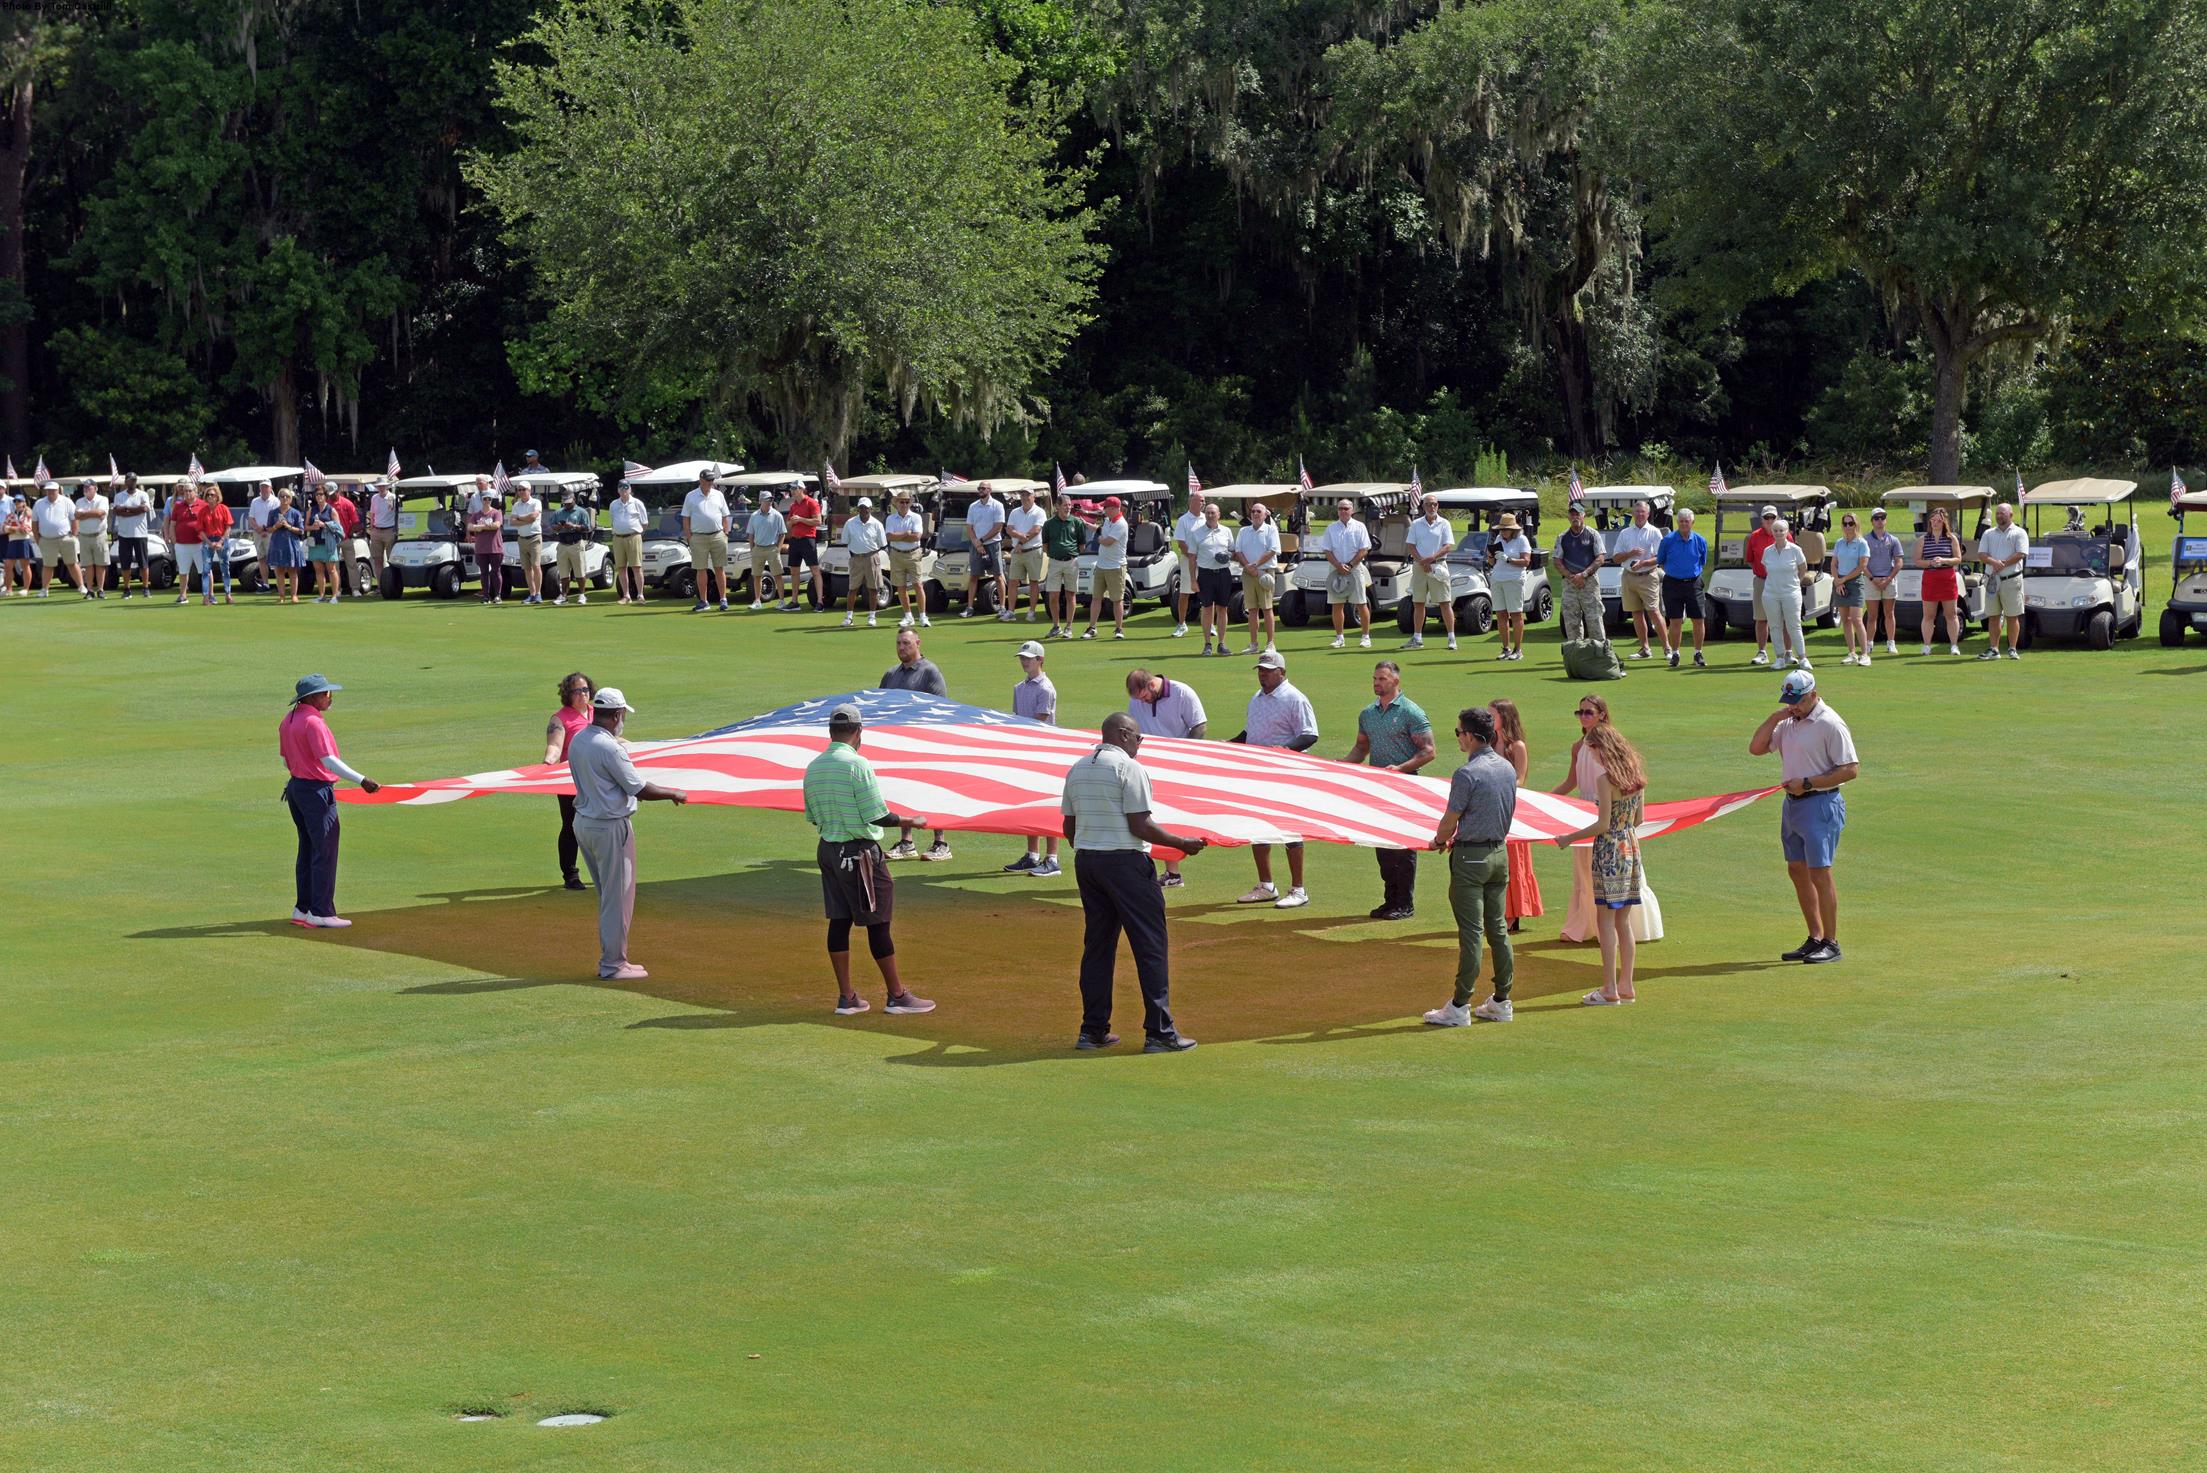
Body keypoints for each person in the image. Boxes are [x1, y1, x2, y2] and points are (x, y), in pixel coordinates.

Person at [1061, 712, 1209, 1052]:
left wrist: (1092, 845)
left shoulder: (1079, 768)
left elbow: (1069, 828)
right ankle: (1160, 1033)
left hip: (1088, 862)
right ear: (1125, 735)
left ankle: (1092, 1030)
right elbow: (1140, 825)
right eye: (1139, 738)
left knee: (1097, 948)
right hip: (1126, 863)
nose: (1141, 745)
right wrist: (1181, 843)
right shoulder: (1129, 768)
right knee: (1150, 947)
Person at [800, 703, 938, 1017]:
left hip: (828, 851)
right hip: (860, 854)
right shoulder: (857, 765)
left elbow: (812, 816)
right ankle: (897, 995)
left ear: (830, 732)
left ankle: (847, 997)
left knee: (839, 921)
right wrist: (911, 821)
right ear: (859, 732)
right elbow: (878, 815)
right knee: (878, 924)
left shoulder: (814, 766)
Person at [565, 687, 690, 979]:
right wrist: (674, 793)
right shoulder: (609, 748)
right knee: (617, 899)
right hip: (609, 826)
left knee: (609, 896)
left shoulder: (580, 739)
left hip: (584, 822)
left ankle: (615, 959)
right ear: (618, 714)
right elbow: (639, 788)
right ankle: (613, 964)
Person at [1749, 669, 1859, 965]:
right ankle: (1814, 937)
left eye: (1797, 701)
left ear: (1813, 694)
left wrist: (1808, 782)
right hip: (1793, 805)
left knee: (1819, 872)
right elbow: (1756, 748)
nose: (1793, 706)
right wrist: (1775, 718)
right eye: (1789, 701)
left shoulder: (1830, 724)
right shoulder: (1788, 722)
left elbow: (1850, 769)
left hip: (1820, 803)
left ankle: (1831, 943)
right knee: (1797, 869)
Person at [1421, 706, 1518, 1026]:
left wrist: (1437, 840)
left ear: (1471, 735)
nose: (1458, 738)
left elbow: (1451, 818)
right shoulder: (1506, 768)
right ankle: (1502, 999)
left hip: (1470, 857)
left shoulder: (1467, 773)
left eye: (1459, 732)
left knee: (1472, 933)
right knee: (1498, 930)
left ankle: (1460, 1005)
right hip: (1500, 855)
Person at [1554, 720, 1649, 1006]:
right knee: (1623, 922)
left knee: (1605, 921)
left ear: (1601, 749)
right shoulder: (1636, 777)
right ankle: (1626, 985)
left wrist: (1569, 837)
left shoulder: (1606, 781)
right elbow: (1639, 820)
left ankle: (1610, 988)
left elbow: (1602, 824)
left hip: (1609, 850)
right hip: (1630, 847)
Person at [1554, 694, 1661, 944]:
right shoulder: (1578, 747)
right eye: (1579, 712)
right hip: (1586, 812)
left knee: (1603, 875)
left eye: (1588, 712)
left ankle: (1617, 932)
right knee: (1584, 872)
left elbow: (1630, 797)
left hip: (1608, 815)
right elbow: (1571, 781)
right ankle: (1584, 925)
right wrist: (1541, 801)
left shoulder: (1613, 748)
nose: (1583, 717)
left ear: (1602, 713)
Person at [279, 674, 381, 928]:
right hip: (315, 792)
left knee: (308, 849)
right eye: (325, 693)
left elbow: (285, 759)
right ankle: (321, 911)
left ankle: (302, 909)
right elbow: (328, 761)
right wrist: (362, 780)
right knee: (324, 851)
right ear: (311, 697)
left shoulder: (289, 719)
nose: (329, 697)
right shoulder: (313, 722)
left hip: (296, 789)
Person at [1342, 660, 1435, 920]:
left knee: (1404, 845)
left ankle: (1404, 903)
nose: (1376, 683)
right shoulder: (1367, 714)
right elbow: (1361, 749)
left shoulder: (1411, 712)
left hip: (1406, 784)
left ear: (1395, 681)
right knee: (1382, 843)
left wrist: (1401, 768)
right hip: (1377, 786)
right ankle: (1389, 900)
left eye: (1382, 679)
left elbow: (1429, 751)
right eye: (1374, 678)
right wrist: (1339, 766)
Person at [1234, 650, 1319, 908]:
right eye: (1260, 670)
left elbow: (1309, 735)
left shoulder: (1295, 698)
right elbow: (1251, 732)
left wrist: (1282, 751)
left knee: (1290, 830)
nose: (1263, 675)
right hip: (1257, 773)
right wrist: (1229, 744)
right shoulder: (1257, 699)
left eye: (1268, 671)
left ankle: (1298, 889)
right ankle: (1266, 885)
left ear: (1282, 672)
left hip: (1286, 775)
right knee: (1258, 829)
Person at [1125, 667, 1207, 888]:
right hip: (1147, 765)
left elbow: (1199, 726)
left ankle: (1172, 873)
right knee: (1147, 816)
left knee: (1168, 819)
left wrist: (1182, 755)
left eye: (1144, 697)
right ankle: (1169, 873)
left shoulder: (1182, 693)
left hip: (1176, 767)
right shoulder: (1136, 701)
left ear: (1151, 685)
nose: (1142, 702)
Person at [878, 627, 952, 859]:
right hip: (899, 744)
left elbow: (942, 708)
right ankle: (906, 842)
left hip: (926, 742)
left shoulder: (930, 672)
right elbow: (879, 706)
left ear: (918, 643)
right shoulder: (891, 675)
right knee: (902, 790)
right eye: (899, 643)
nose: (901, 648)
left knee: (932, 790)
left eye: (906, 643)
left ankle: (940, 843)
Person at [1002, 640, 1063, 877]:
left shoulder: (1046, 688)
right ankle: (1032, 855)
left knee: (1048, 806)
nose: (1024, 661)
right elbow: (1016, 718)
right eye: (1022, 658)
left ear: (1040, 660)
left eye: (1029, 658)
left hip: (1045, 754)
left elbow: (1038, 721)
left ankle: (1052, 859)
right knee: (1029, 803)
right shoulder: (1019, 687)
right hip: (1026, 751)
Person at [1489, 697, 1542, 933]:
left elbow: (1520, 778)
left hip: (1511, 807)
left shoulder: (1516, 746)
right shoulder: (1487, 744)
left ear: (1505, 717)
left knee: (1512, 860)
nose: (1489, 719)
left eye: (1493, 715)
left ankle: (1513, 913)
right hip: (1491, 806)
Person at [545, 672, 596, 890]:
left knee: (600, 824)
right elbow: (555, 747)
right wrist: (548, 764)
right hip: (570, 780)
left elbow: (612, 739)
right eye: (577, 691)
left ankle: (604, 871)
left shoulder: (598, 712)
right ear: (568, 693)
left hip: (598, 779)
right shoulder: (560, 718)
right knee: (572, 826)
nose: (582, 695)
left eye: (585, 690)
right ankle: (571, 875)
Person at [1610, 499, 1667, 658]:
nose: (1640, 514)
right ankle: (1645, 649)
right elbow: (1615, 558)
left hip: (1648, 576)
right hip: (1628, 577)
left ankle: (1668, 649)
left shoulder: (1654, 532)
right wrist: (1630, 554)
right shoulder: (1625, 533)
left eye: (1643, 512)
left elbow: (1660, 557)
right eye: (1637, 512)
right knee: (1636, 613)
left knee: (1654, 612)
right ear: (1633, 514)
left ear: (1648, 514)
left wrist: (1643, 563)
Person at [1399, 493, 1456, 652]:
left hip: (1438, 566)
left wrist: (1431, 558)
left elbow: (1447, 546)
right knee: (1418, 602)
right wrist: (1421, 561)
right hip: (1420, 567)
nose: (1432, 507)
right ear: (1423, 506)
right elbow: (1411, 545)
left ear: (1438, 506)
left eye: (1435, 504)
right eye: (1429, 504)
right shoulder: (1416, 524)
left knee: (1445, 602)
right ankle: (1417, 637)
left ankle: (1451, 637)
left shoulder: (1444, 523)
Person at [1656, 506, 1709, 668]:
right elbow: (1661, 560)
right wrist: (1675, 572)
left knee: (1698, 619)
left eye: (1687, 521)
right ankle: (1675, 654)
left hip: (1694, 583)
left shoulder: (1700, 540)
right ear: (1677, 522)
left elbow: (1702, 561)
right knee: (1675, 620)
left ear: (1692, 522)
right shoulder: (1668, 540)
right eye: (1681, 521)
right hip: (1673, 583)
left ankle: (1697, 653)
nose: (1684, 524)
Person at [1977, 500, 2030, 660]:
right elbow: (1981, 554)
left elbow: (2021, 553)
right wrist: (1994, 563)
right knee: (1993, 616)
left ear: (2011, 515)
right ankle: (1994, 649)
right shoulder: (1988, 533)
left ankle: (2012, 648)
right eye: (1998, 513)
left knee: (2012, 616)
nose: (2000, 516)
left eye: (2003, 513)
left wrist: (2003, 564)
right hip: (1993, 580)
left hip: (2011, 580)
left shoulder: (2019, 533)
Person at [1319, 495, 1374, 649]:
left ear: (1352, 510)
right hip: (1335, 570)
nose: (1343, 511)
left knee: (1361, 603)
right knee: (1337, 605)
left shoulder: (1360, 527)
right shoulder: (1331, 528)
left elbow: (1364, 549)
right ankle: (1339, 638)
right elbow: (1327, 550)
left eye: (1346, 508)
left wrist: (1349, 565)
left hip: (1355, 569)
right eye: (1340, 508)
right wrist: (1338, 565)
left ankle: (1365, 637)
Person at [1231, 498, 1282, 655]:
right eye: (1253, 511)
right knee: (1252, 609)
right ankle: (1253, 644)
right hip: (1247, 573)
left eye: (1258, 511)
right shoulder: (1243, 531)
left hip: (1265, 572)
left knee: (1267, 608)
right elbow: (1238, 551)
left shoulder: (1271, 530)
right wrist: (1248, 566)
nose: (1255, 514)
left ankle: (1270, 643)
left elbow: (1272, 550)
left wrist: (1255, 565)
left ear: (1265, 514)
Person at [1915, 504, 1965, 655]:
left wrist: (1943, 560)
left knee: (1951, 614)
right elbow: (1917, 560)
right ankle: (1927, 646)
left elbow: (1958, 559)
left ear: (1944, 523)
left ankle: (1954, 645)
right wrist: (1930, 562)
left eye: (1938, 521)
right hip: (1930, 579)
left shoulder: (1951, 539)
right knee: (1929, 615)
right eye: (1933, 520)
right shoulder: (1923, 539)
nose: (1935, 523)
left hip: (1947, 578)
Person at [1762, 516, 1812, 669]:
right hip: (1771, 593)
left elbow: (1803, 568)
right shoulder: (1768, 551)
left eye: (1781, 530)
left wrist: (1796, 582)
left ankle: (1803, 658)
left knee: (1794, 625)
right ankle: (1779, 658)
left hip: (1791, 593)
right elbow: (1767, 570)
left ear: (1787, 532)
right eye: (1775, 530)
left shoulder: (1795, 550)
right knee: (1775, 626)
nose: (1778, 533)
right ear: (1772, 532)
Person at [1553, 501, 1605, 643]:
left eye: (1578, 514)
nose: (1575, 517)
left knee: (1594, 618)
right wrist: (1571, 576)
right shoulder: (1562, 537)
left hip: (1589, 582)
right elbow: (1557, 561)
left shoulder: (1593, 534)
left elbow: (1600, 558)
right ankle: (1576, 652)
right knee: (1571, 620)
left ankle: (1600, 652)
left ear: (1583, 516)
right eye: (1572, 514)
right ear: (1569, 517)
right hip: (1570, 583)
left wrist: (1583, 574)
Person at [1081, 495, 1131, 640]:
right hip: (1101, 565)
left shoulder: (1121, 524)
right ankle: (1092, 628)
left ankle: (1119, 629)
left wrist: (1099, 539)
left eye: (1107, 507)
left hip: (1116, 566)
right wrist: (1085, 524)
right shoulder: (1108, 521)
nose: (1104, 510)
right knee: (1096, 598)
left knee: (1117, 599)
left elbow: (1108, 541)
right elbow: (1100, 530)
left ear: (1115, 508)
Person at [681, 467, 732, 612]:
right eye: (708, 480)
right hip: (698, 536)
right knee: (700, 569)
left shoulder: (718, 495)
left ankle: (723, 599)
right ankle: (704, 601)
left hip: (717, 535)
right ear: (701, 480)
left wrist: (725, 533)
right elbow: (686, 518)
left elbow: (725, 515)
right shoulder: (691, 496)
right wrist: (690, 537)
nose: (711, 482)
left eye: (712, 480)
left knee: (719, 568)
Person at [1190, 500, 1237, 655]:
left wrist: (1227, 555)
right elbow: (1192, 558)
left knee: (1222, 608)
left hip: (1223, 574)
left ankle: (1221, 643)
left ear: (1219, 515)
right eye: (1208, 513)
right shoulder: (1197, 533)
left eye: (1213, 513)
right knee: (1207, 608)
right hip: (1205, 574)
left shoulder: (1226, 531)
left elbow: (1233, 551)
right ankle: (1207, 644)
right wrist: (1193, 579)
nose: (1210, 515)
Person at [957, 481, 1004, 617]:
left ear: (989, 490)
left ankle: (1002, 607)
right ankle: (970, 607)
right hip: (976, 544)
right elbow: (969, 527)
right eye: (979, 488)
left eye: (983, 488)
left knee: (998, 576)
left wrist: (982, 541)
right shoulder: (973, 506)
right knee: (973, 576)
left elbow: (998, 527)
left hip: (993, 544)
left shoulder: (997, 505)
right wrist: (977, 543)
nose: (981, 490)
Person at [1489, 511, 1533, 659]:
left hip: (1514, 580)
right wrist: (1491, 557)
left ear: (1513, 530)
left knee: (1515, 614)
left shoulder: (1522, 540)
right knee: (1501, 614)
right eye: (1501, 529)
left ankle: (1518, 650)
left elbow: (1526, 561)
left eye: (1505, 529)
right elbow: (1492, 562)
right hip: (1497, 579)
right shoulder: (1498, 539)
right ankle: (1506, 649)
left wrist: (1508, 559)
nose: (1502, 531)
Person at [839, 495, 888, 628]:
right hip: (855, 558)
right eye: (861, 508)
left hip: (872, 557)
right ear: (858, 509)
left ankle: (872, 616)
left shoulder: (877, 524)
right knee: (852, 588)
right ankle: (849, 617)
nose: (863, 510)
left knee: (873, 588)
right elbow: (845, 541)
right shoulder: (850, 523)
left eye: (866, 508)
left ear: (870, 509)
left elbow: (882, 543)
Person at [884, 487, 929, 628]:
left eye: (906, 502)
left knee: (918, 585)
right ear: (896, 503)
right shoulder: (890, 518)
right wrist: (906, 533)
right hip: (896, 554)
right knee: (901, 587)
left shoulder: (916, 517)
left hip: (913, 554)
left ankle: (922, 616)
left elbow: (916, 536)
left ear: (909, 503)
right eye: (901, 502)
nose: (903, 504)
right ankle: (908, 616)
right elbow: (889, 537)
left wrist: (900, 535)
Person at [1042, 491, 1085, 638]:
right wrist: (1055, 554)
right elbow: (1045, 545)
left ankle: (1069, 627)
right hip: (1054, 562)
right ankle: (1056, 626)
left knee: (1070, 595)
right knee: (1053, 596)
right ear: (1057, 506)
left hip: (1071, 562)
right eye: (1065, 505)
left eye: (1069, 505)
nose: (1068, 508)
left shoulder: (1077, 522)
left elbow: (1081, 545)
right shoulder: (1048, 524)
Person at [1830, 512, 1871, 664]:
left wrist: (1844, 579)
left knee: (1856, 619)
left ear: (1856, 525)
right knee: (1845, 620)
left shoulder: (1862, 543)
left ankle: (1865, 654)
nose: (1848, 526)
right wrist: (1838, 582)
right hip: (1840, 583)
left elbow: (1862, 566)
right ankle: (1852, 653)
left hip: (1854, 582)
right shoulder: (1839, 542)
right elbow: (1834, 564)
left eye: (1851, 523)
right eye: (1845, 523)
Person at [1864, 507, 1905, 655]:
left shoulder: (1893, 540)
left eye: (1882, 518)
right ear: (1872, 521)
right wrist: (1872, 579)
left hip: (1889, 579)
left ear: (1885, 520)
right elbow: (1862, 564)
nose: (1880, 521)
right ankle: (1868, 643)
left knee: (1889, 613)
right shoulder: (1865, 540)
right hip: (1871, 580)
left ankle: (1891, 643)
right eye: (1876, 518)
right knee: (1872, 615)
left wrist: (1888, 579)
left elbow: (1899, 562)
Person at [1003, 484, 1047, 622]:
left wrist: (1020, 542)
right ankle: (1010, 611)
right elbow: (1009, 529)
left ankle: (1032, 611)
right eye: (1022, 495)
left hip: (1033, 550)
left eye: (1028, 495)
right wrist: (1020, 536)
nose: (1025, 497)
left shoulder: (1039, 512)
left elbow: (1036, 530)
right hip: (1017, 552)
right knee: (1013, 581)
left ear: (1033, 497)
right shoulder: (1015, 512)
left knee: (1034, 582)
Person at [33, 482, 83, 597]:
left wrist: (74, 535)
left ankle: (81, 586)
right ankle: (44, 590)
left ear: (58, 490)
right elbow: (34, 523)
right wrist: (38, 539)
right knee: (48, 565)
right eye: (48, 490)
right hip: (47, 539)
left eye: (53, 490)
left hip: (65, 537)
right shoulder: (39, 503)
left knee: (72, 563)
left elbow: (74, 518)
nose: (50, 492)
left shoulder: (66, 501)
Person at [544, 487, 591, 606]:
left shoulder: (581, 512)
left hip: (576, 543)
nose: (567, 505)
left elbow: (587, 528)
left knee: (580, 571)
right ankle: (564, 595)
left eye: (569, 503)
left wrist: (574, 526)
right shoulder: (558, 512)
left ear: (574, 500)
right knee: (564, 572)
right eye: (565, 503)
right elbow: (550, 526)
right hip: (562, 543)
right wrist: (558, 527)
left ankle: (582, 594)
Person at [1745, 504, 1779, 664]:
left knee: (1783, 618)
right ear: (1762, 519)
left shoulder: (1784, 535)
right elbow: (1750, 560)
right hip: (1761, 581)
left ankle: (1786, 653)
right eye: (1767, 517)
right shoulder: (1754, 536)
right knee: (1761, 618)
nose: (1770, 520)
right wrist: (1762, 572)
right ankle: (1762, 652)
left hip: (1780, 582)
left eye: (1773, 517)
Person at [1170, 488, 1207, 638]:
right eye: (1201, 500)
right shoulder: (1183, 520)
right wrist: (1193, 558)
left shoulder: (1206, 518)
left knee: (1206, 593)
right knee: (1184, 593)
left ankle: (1209, 624)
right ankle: (1182, 624)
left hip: (1206, 562)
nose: (1203, 503)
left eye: (1204, 500)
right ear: (1192, 502)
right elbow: (1181, 543)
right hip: (1188, 561)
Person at [783, 481, 825, 611]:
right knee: (794, 571)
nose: (793, 491)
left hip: (808, 540)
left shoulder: (812, 502)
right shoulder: (793, 505)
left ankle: (819, 602)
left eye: (795, 489)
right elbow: (788, 523)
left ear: (802, 489)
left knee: (815, 570)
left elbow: (818, 521)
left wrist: (800, 519)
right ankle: (794, 602)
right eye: (792, 489)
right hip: (795, 541)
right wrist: (791, 522)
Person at [606, 479, 650, 603]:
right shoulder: (613, 504)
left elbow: (645, 523)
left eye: (626, 487)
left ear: (630, 489)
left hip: (634, 536)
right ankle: (626, 596)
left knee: (636, 566)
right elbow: (613, 521)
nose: (623, 490)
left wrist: (637, 533)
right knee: (621, 568)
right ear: (618, 490)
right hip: (618, 537)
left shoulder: (637, 503)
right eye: (621, 487)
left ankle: (640, 595)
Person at [111, 473, 152, 599]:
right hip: (124, 534)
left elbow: (144, 509)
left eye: (134, 480)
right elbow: (117, 511)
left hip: (140, 534)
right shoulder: (119, 496)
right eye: (130, 480)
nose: (132, 482)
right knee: (125, 564)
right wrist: (135, 510)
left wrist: (126, 509)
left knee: (143, 563)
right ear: (126, 482)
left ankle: (145, 588)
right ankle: (127, 588)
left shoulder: (143, 494)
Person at [461, 484, 502, 606]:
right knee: (483, 573)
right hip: (481, 548)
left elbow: (496, 525)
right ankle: (485, 595)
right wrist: (484, 527)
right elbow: (470, 527)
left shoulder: (496, 512)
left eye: (489, 499)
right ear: (481, 500)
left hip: (495, 548)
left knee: (496, 572)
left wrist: (479, 527)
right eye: (485, 499)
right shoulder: (476, 514)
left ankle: (498, 595)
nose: (487, 501)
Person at [263, 487, 306, 603]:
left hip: (291, 544)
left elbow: (301, 531)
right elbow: (268, 529)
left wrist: (288, 526)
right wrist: (276, 526)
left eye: (287, 496)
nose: (285, 498)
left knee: (292, 571)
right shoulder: (273, 513)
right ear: (279, 498)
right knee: (279, 571)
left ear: (291, 499)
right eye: (282, 496)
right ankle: (281, 596)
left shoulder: (296, 513)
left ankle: (294, 595)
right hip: (277, 544)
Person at [507, 477, 545, 605]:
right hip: (521, 539)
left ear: (529, 490)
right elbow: (511, 522)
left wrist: (519, 518)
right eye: (519, 490)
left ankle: (538, 593)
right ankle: (532, 593)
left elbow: (533, 517)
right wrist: (524, 518)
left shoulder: (536, 502)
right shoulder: (517, 505)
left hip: (534, 538)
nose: (522, 492)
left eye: (524, 489)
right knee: (527, 568)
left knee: (536, 565)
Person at [746, 490, 786, 610]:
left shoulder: (777, 515)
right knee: (757, 575)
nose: (770, 502)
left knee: (778, 575)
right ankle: (758, 601)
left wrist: (778, 549)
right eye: (767, 500)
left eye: (771, 500)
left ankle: (782, 601)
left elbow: (782, 533)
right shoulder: (754, 516)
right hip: (758, 548)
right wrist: (752, 549)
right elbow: (751, 535)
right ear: (760, 501)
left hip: (772, 548)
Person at [73, 479, 111, 599]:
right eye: (85, 488)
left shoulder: (103, 499)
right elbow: (77, 516)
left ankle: (100, 589)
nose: (86, 490)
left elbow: (100, 513)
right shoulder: (79, 501)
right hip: (84, 536)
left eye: (89, 488)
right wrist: (91, 513)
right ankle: (89, 590)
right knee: (87, 565)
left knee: (100, 564)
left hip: (99, 535)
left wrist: (85, 514)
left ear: (95, 488)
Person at [198, 486, 235, 604]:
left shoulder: (224, 508)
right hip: (207, 540)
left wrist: (220, 542)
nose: (210, 497)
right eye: (208, 495)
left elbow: (228, 526)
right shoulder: (202, 511)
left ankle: (228, 595)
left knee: (225, 567)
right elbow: (200, 530)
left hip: (222, 539)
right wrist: (209, 543)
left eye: (212, 495)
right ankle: (205, 597)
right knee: (206, 569)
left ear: (217, 496)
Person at [328, 480, 362, 596]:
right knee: (334, 566)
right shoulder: (327, 504)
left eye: (333, 493)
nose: (331, 496)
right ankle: (337, 589)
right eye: (329, 494)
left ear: (338, 491)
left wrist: (348, 534)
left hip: (346, 539)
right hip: (332, 540)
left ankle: (355, 589)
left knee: (352, 564)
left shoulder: (347, 503)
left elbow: (356, 522)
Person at [246, 479, 282, 588]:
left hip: (272, 533)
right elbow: (251, 517)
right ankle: (266, 584)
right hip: (258, 533)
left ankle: (279, 584)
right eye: (262, 487)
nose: (264, 489)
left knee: (274, 560)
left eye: (266, 487)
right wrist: (258, 529)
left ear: (270, 488)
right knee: (261, 559)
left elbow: (277, 518)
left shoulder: (276, 501)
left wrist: (267, 529)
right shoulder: (255, 501)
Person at [366, 479, 399, 592]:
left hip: (389, 530)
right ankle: (381, 586)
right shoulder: (374, 498)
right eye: (379, 486)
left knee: (391, 559)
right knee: (377, 560)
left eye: (383, 486)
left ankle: (393, 584)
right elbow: (372, 513)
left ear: (387, 486)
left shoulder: (393, 497)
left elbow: (399, 514)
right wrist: (371, 529)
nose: (381, 488)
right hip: (376, 530)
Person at [3, 493, 34, 595]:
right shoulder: (10, 515)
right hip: (12, 541)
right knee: (8, 565)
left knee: (25, 565)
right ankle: (9, 589)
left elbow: (26, 529)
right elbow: (4, 528)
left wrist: (12, 528)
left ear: (24, 503)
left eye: (19, 501)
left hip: (24, 540)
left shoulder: (28, 514)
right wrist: (15, 529)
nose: (17, 503)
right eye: (15, 501)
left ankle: (26, 589)